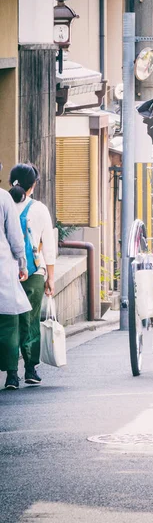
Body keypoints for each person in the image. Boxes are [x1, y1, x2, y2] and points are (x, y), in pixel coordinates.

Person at [9, 163, 56, 386]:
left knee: (8, 322)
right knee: (30, 320)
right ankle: (30, 369)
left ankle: (10, 373)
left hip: (6, 273)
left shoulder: (3, 204)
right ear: (33, 185)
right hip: (34, 274)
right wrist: (51, 278)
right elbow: (49, 247)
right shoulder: (39, 209)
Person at [0, 162, 31, 390]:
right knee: (8, 323)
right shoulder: (4, 199)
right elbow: (15, 235)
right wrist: (22, 262)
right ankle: (12, 374)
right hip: (2, 267)